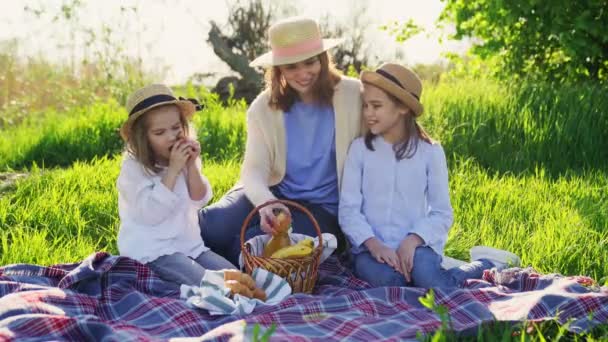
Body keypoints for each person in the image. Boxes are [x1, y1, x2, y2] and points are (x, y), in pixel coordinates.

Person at [199, 16, 363, 266]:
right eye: (291, 66)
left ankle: (232, 262)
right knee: (212, 226)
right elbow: (253, 172)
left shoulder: (354, 95)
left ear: (322, 59)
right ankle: (188, 254)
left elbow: (392, 124)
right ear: (278, 70)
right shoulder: (263, 108)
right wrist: (267, 204)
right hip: (273, 192)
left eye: (310, 62)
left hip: (324, 209)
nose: (303, 74)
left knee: (260, 246)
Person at [338, 63, 520, 288]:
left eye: (376, 106)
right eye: (365, 106)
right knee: (392, 283)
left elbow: (442, 213)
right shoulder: (359, 150)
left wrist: (413, 240)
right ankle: (432, 270)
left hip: (417, 246)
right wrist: (374, 245)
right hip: (370, 249)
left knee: (430, 281)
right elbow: (349, 210)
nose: (368, 114)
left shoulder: (430, 152)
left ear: (403, 107)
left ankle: (488, 262)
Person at [117, 84, 237, 287]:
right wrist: (173, 170)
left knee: (236, 277)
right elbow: (150, 215)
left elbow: (200, 199)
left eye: (175, 128)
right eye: (160, 132)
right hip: (152, 250)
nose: (171, 136)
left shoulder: (184, 156)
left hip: (189, 245)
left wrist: (191, 167)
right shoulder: (133, 169)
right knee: (212, 286)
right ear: (143, 138)